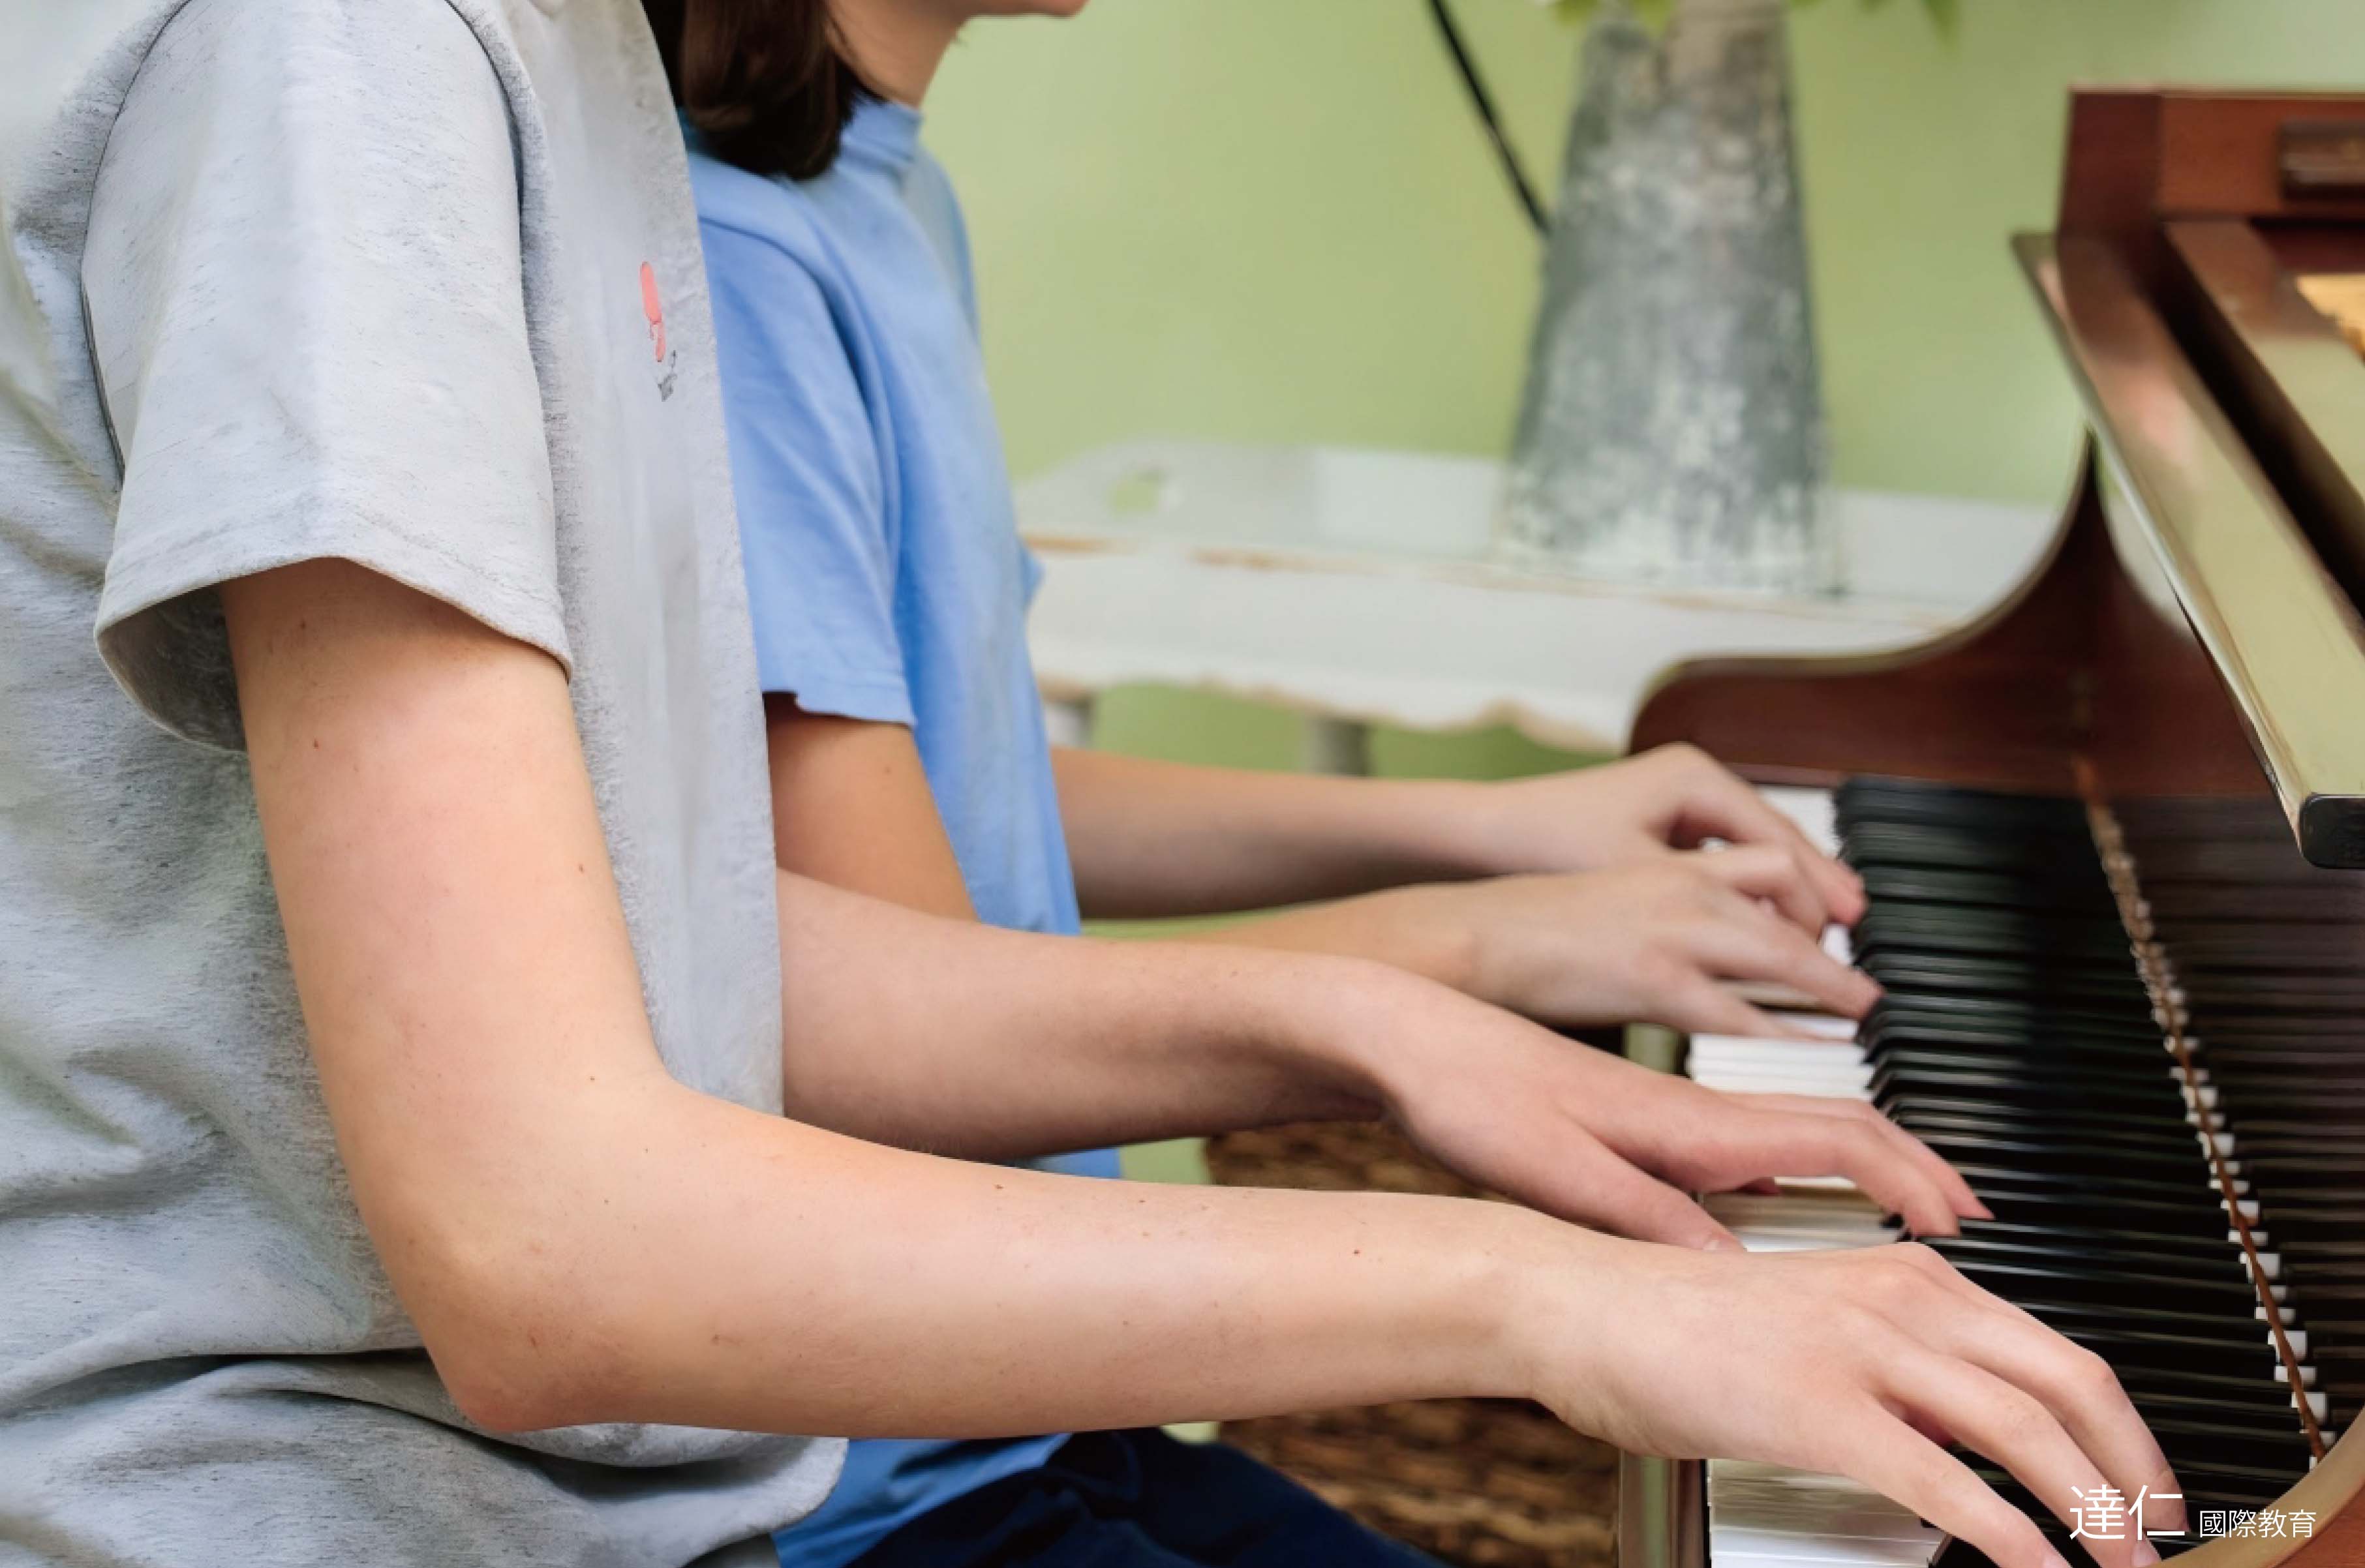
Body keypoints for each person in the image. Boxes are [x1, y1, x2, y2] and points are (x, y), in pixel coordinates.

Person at [0, 3, 2171, 1567]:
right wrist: (1547, 1287)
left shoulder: (566, 71)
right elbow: (541, 1237)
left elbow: (683, 952)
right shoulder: (331, 58)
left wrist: (1381, 1016)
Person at [671, 5, 2178, 1568]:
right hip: (887, 1485)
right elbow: (929, 1027)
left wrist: (1486, 829)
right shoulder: (747, 259)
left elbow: (958, 793)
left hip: (1044, 1413)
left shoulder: (876, 190)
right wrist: (1466, 955)